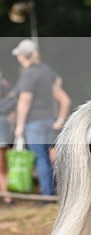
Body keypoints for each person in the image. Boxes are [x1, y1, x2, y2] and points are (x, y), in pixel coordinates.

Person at [12, 39, 72, 198]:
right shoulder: (47, 70)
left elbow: (24, 102)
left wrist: (19, 125)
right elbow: (64, 97)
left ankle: (47, 194)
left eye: (18, 55)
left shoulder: (29, 74)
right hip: (49, 120)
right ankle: (57, 190)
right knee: (51, 156)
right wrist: (60, 119)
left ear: (23, 56)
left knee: (41, 157)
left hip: (34, 123)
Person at [0, 71, 14, 204]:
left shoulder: (4, 84)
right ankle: (6, 196)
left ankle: (6, 196)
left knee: (2, 165)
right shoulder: (4, 84)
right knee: (2, 165)